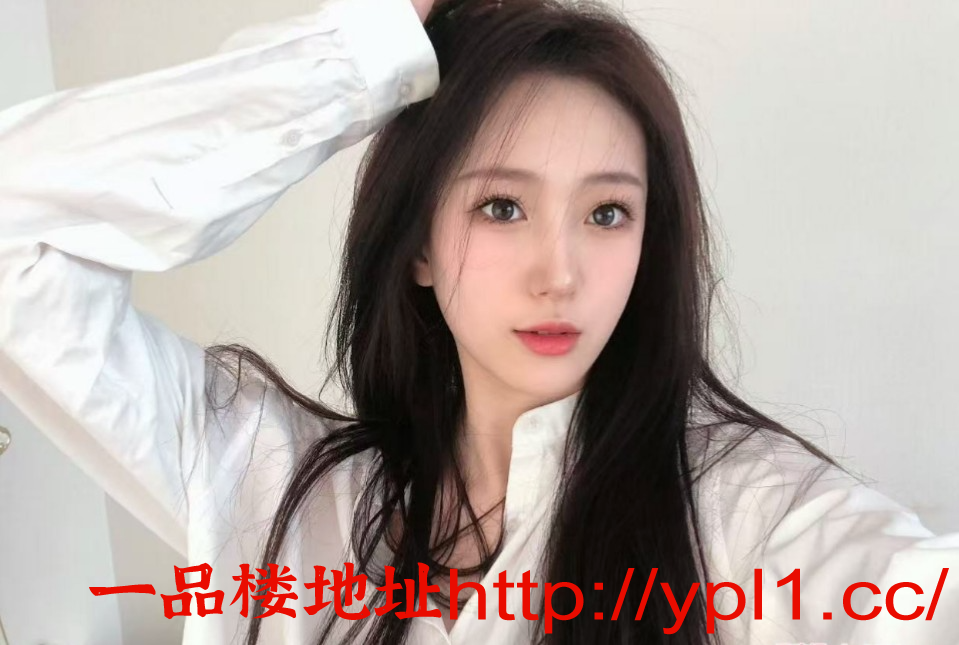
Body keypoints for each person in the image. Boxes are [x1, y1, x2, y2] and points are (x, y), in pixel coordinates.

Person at [0, 0, 956, 643]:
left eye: (607, 212)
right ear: (417, 242)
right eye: (502, 207)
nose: (559, 273)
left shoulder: (745, 515)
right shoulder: (276, 489)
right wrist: (363, 53)